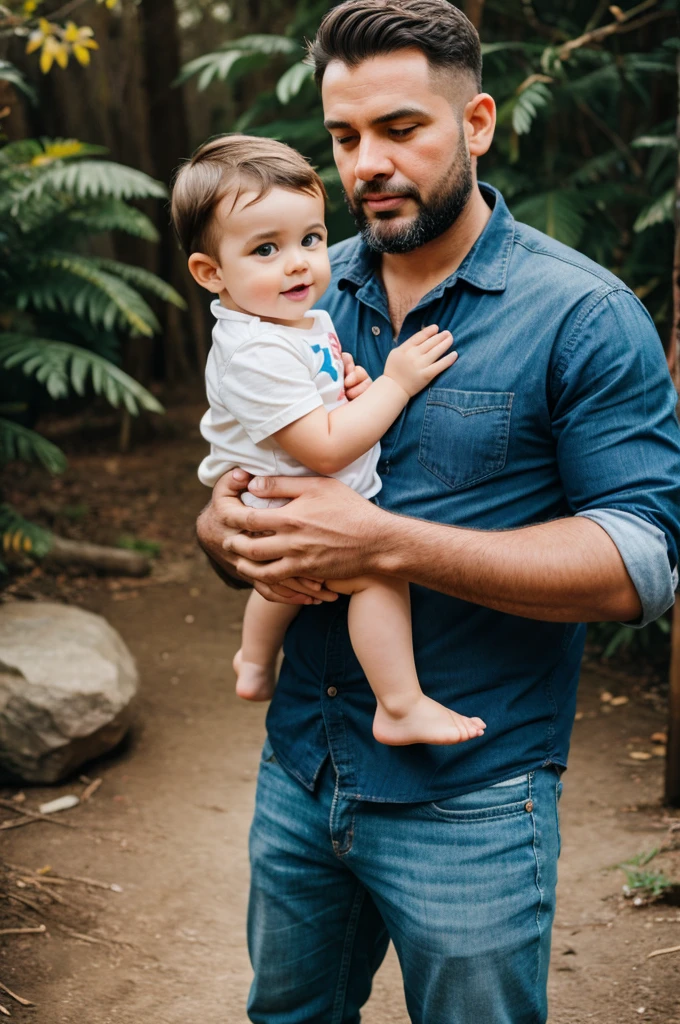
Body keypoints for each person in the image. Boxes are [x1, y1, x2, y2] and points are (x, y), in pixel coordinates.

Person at [196, 1, 680, 1021]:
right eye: (342, 137)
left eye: (400, 128)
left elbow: (638, 563)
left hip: (470, 795)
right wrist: (225, 536)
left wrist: (385, 543)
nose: (365, 160)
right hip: (300, 765)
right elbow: (236, 493)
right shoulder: (297, 290)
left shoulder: (580, 316)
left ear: (475, 124)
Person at [171, 133, 486, 746]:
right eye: (266, 249)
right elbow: (324, 449)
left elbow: (317, 393)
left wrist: (348, 387)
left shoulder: (296, 318)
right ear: (211, 273)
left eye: (310, 239)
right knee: (374, 572)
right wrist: (394, 384)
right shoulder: (254, 348)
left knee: (288, 584)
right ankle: (398, 705)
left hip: (288, 498)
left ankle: (255, 662)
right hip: (286, 498)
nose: (298, 263)